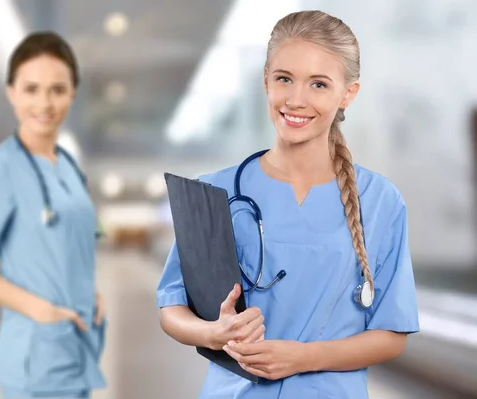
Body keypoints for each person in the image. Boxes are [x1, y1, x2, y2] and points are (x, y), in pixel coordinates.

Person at [157, 10, 419, 399]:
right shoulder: (215, 191)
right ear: (266, 81)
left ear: (348, 93)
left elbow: (391, 334)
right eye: (284, 79)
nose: (296, 100)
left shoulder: (380, 201)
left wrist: (302, 357)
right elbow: (172, 308)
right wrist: (213, 333)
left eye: (318, 84)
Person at [0, 31, 106, 399]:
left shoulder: (67, 166)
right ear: (11, 93)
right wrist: (37, 308)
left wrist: (92, 292)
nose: (45, 103)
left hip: (79, 348)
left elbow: (73, 244)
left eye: (57, 89)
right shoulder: (0, 170)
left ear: (73, 93)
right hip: (36, 357)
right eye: (31, 89)